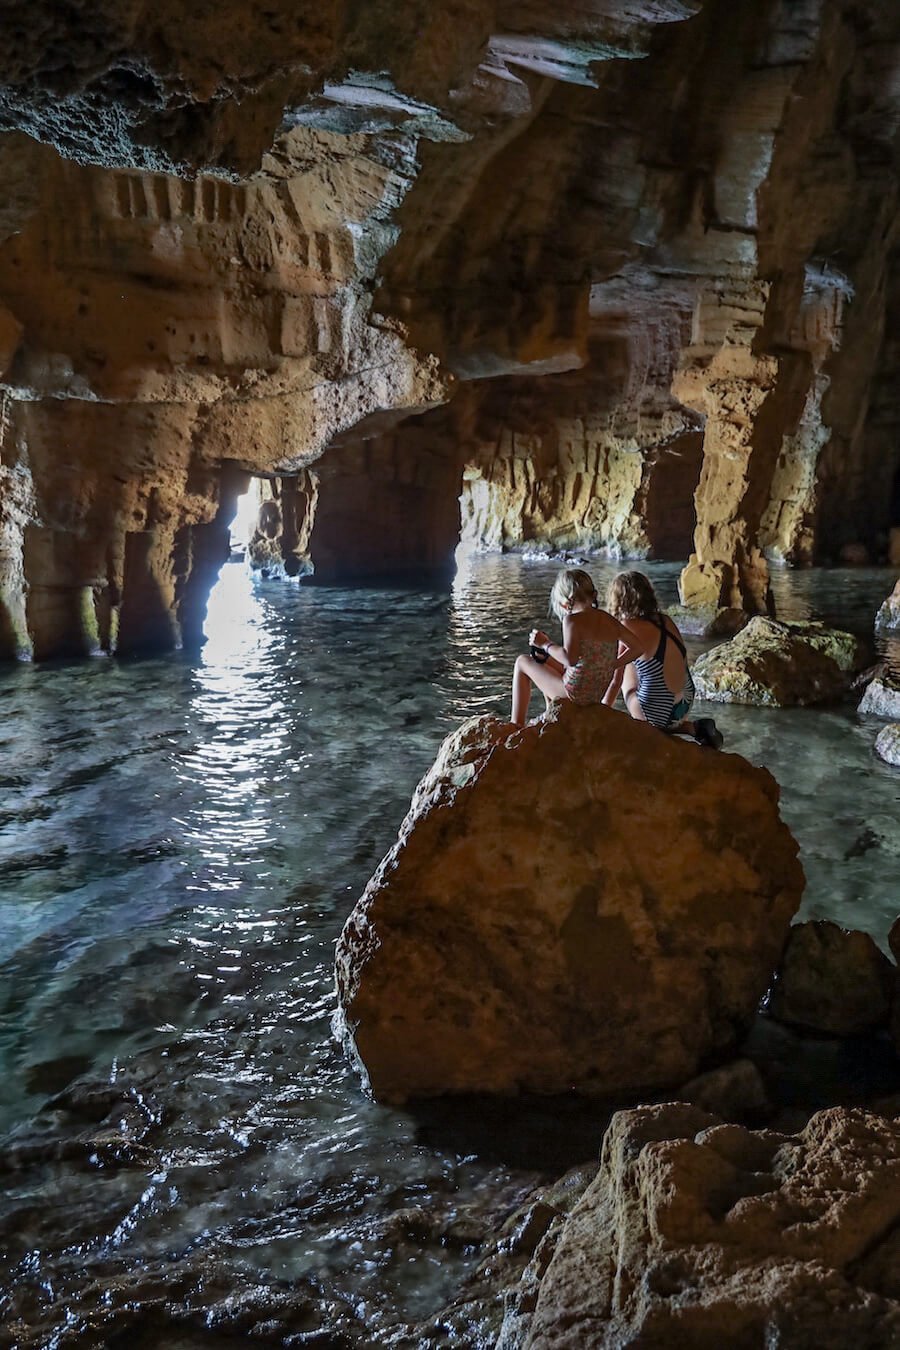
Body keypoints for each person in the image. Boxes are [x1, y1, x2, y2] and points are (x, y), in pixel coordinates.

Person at [605, 570, 723, 748]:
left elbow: (616, 680)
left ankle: (651, 730)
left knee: (628, 665)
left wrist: (602, 710)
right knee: (643, 664)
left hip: (657, 708)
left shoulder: (627, 627)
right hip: (685, 701)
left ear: (619, 600)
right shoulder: (666, 620)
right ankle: (692, 728)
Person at [510, 568, 641, 727]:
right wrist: (613, 664)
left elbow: (570, 659)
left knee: (522, 662)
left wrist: (545, 644)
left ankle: (515, 725)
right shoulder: (609, 620)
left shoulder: (572, 621)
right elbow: (637, 647)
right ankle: (550, 713)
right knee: (545, 661)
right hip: (595, 694)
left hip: (574, 695)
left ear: (566, 602)